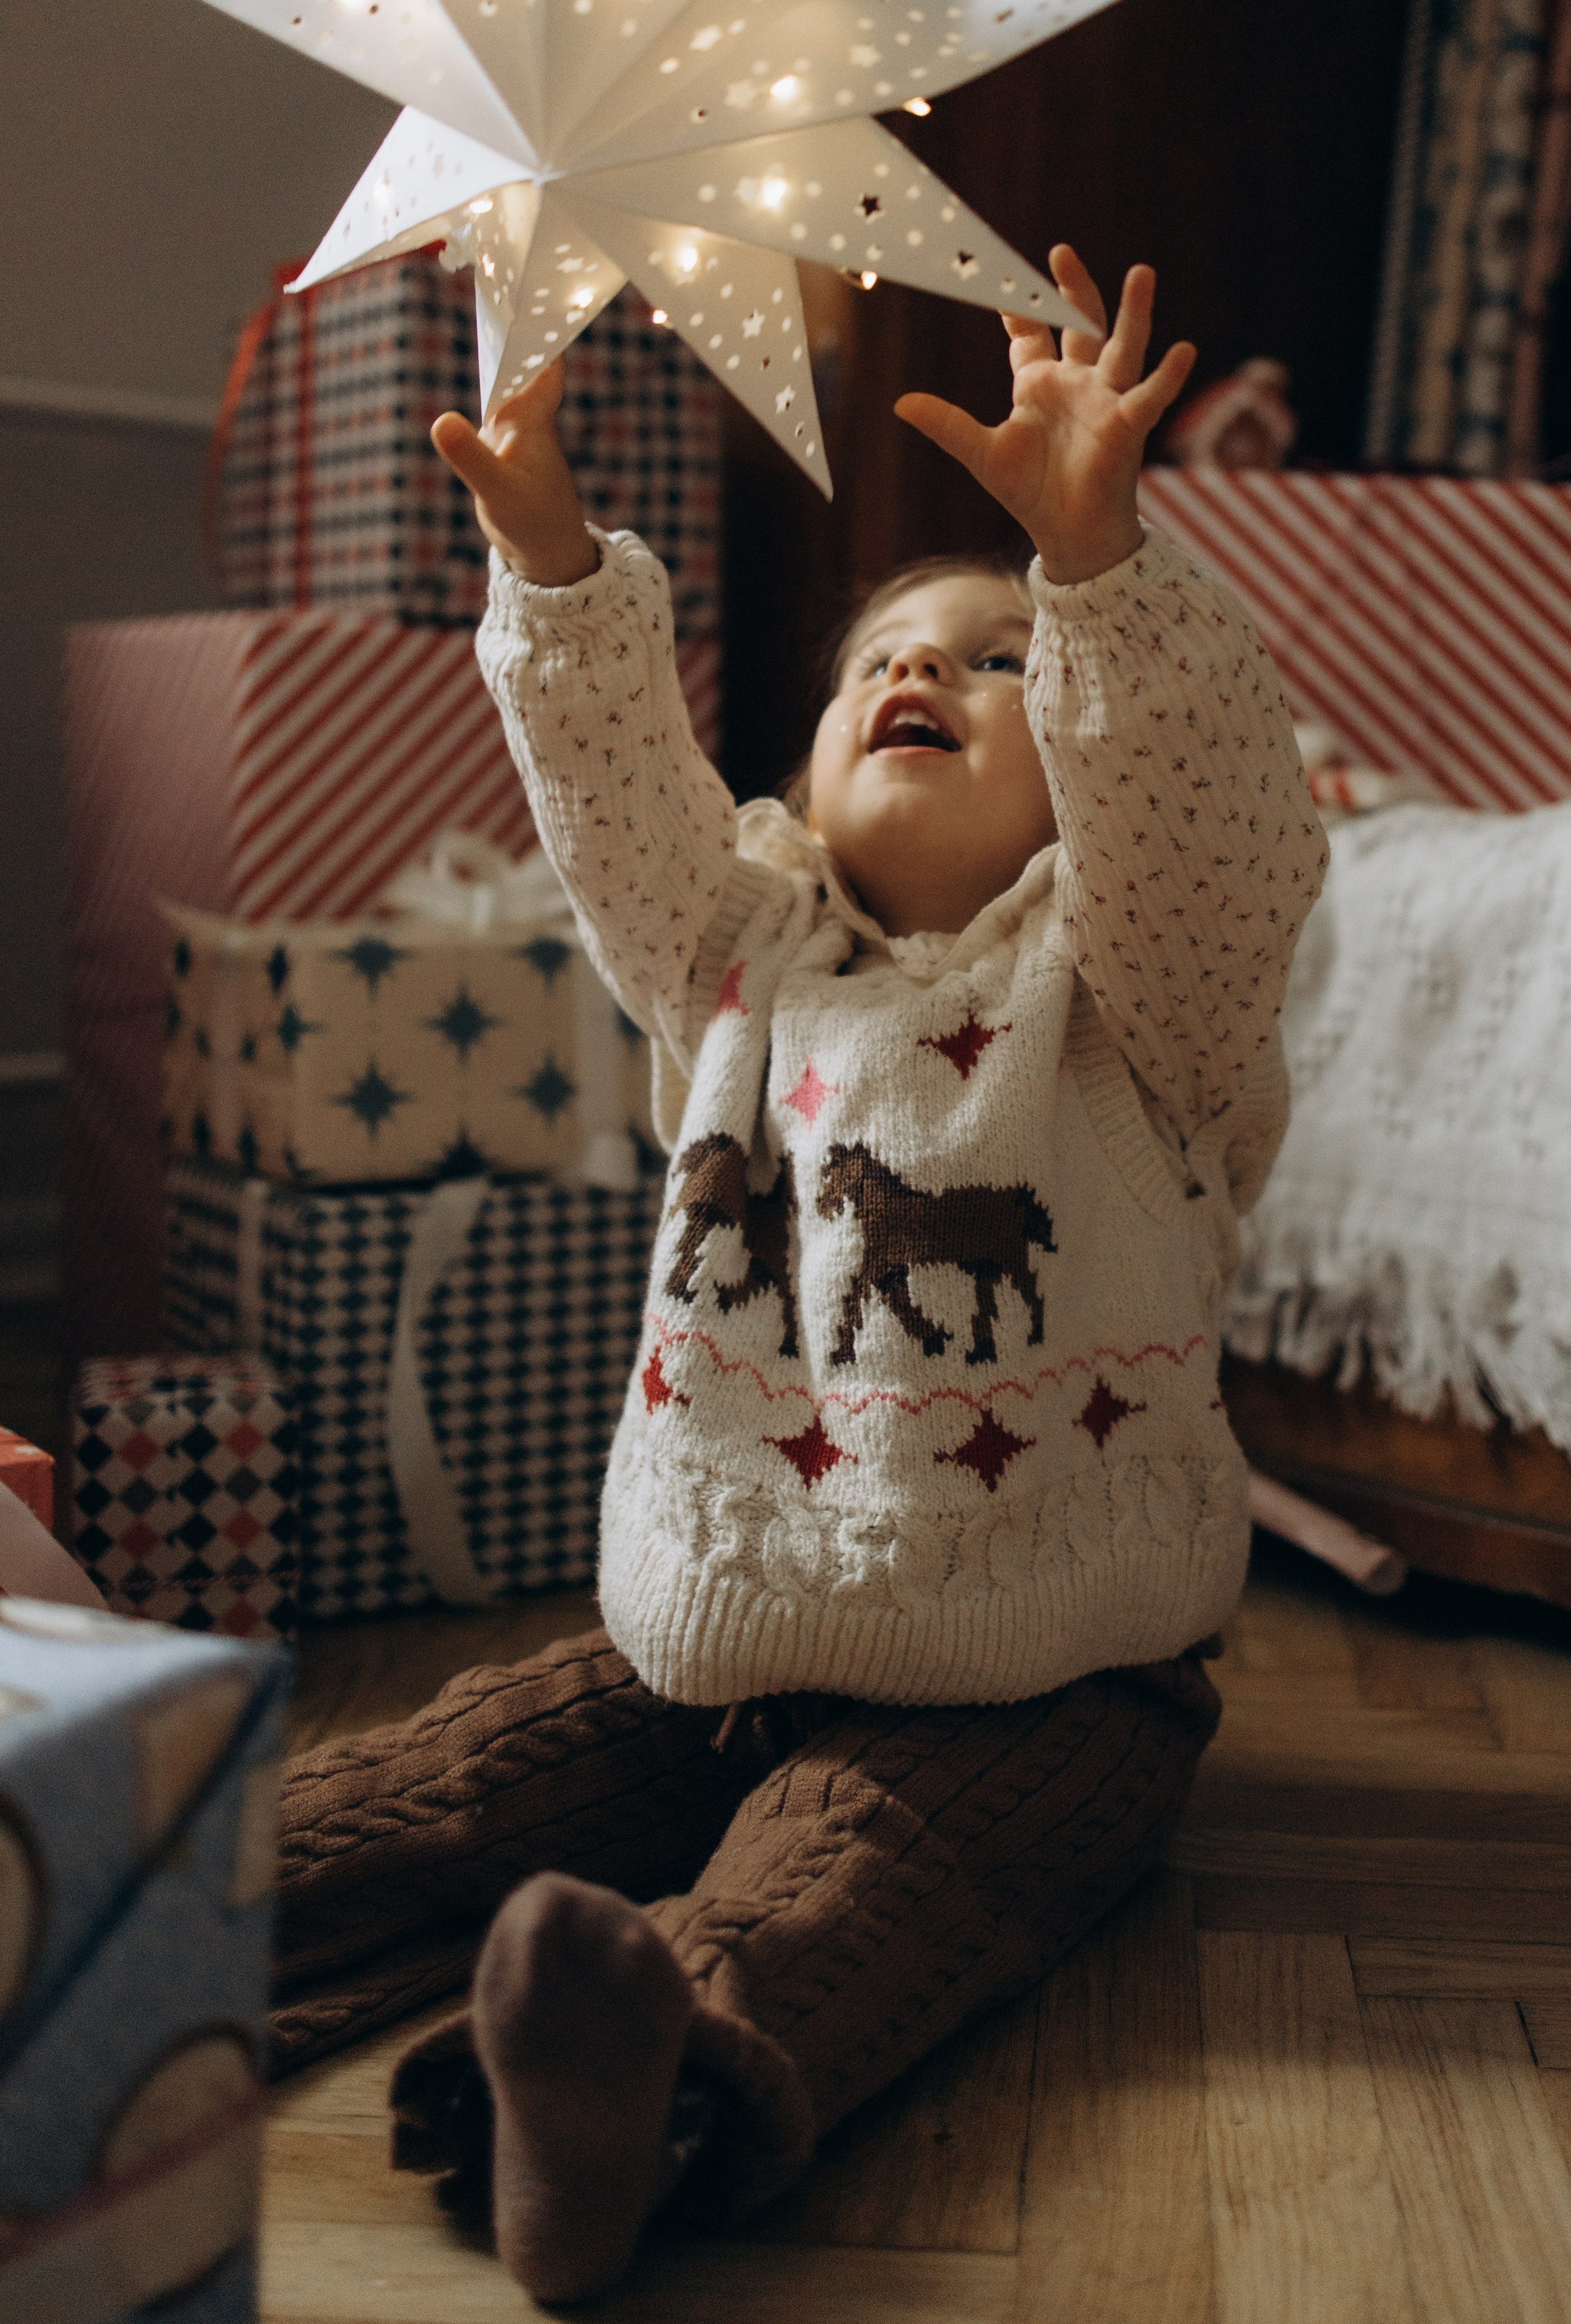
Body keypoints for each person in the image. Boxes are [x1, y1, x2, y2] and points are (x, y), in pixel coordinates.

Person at [273, 248, 1325, 2305]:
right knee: (462, 1771)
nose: (922, 671)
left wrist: (1097, 560)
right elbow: (613, 802)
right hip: (731, 1638)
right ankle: (147, 1877)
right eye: (878, 665)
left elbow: (1208, 822)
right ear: (815, 761)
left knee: (858, 1883)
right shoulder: (739, 962)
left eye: (999, 661)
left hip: (1053, 1682)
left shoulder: (1135, 999)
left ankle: (635, 2076)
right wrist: (554, 558)